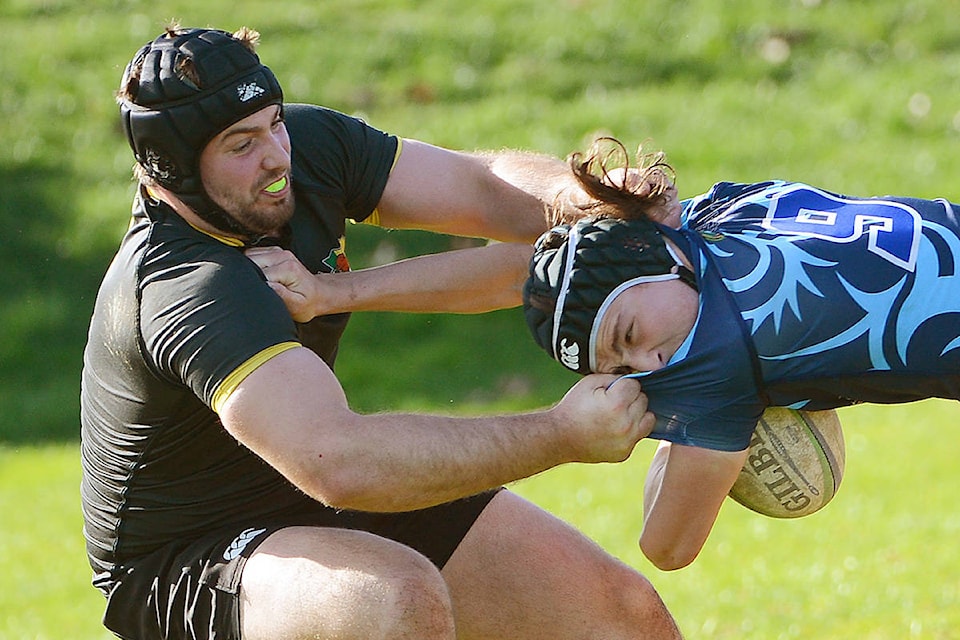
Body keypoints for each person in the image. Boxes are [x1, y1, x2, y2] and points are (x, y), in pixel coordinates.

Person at [80, 26, 684, 640]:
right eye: (241, 144)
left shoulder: (300, 150)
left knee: (617, 613)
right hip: (185, 560)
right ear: (173, 170)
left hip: (306, 491)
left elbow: (479, 186)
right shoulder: (189, 284)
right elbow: (341, 463)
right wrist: (559, 433)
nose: (275, 156)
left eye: (274, 122)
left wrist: (587, 201)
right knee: (391, 598)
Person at [521, 137, 960, 571]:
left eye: (630, 335)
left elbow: (667, 547)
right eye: (622, 369)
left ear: (652, 258)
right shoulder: (711, 212)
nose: (649, 365)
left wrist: (673, 413)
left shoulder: (722, 355)